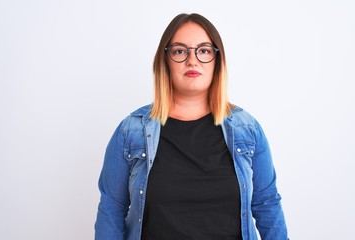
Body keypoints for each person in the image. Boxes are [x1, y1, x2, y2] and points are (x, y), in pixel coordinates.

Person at [95, 13, 288, 240]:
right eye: (179, 51)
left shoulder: (248, 129)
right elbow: (112, 209)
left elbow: (267, 204)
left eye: (204, 50)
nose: (192, 60)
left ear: (217, 60)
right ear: (164, 60)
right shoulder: (131, 131)